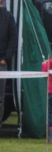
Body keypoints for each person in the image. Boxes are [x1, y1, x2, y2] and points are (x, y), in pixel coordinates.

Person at [0, 0, 17, 128]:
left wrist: (5, 58)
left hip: (2, 63)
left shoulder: (9, 17)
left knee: (0, 97)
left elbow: (13, 39)